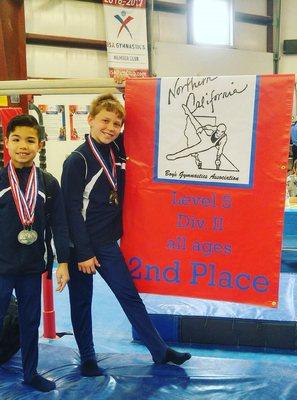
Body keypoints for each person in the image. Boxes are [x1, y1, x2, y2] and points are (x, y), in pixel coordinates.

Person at [61, 93, 191, 377]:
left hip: (106, 242)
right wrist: (83, 252)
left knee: (129, 296)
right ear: (90, 120)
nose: (111, 128)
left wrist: (130, 93)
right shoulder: (77, 160)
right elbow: (70, 210)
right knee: (81, 302)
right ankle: (87, 357)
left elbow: (141, 123)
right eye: (105, 121)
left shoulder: (114, 150)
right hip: (80, 246)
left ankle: (160, 350)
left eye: (117, 123)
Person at [0, 114, 70, 392]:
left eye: (30, 140)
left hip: (31, 268)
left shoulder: (48, 184)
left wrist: (63, 261)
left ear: (39, 144)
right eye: (16, 139)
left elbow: (60, 225)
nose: (23, 146)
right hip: (1, 267)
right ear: (6, 142)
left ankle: (31, 373)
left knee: (30, 322)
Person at [166, 104, 228, 170]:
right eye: (218, 130)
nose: (218, 133)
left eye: (221, 132)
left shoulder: (224, 138)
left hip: (207, 144)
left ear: (223, 132)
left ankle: (174, 156)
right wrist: (202, 128)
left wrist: (218, 159)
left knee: (189, 150)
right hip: (206, 138)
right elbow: (209, 127)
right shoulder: (216, 128)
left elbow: (220, 149)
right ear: (217, 129)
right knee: (197, 125)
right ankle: (189, 113)